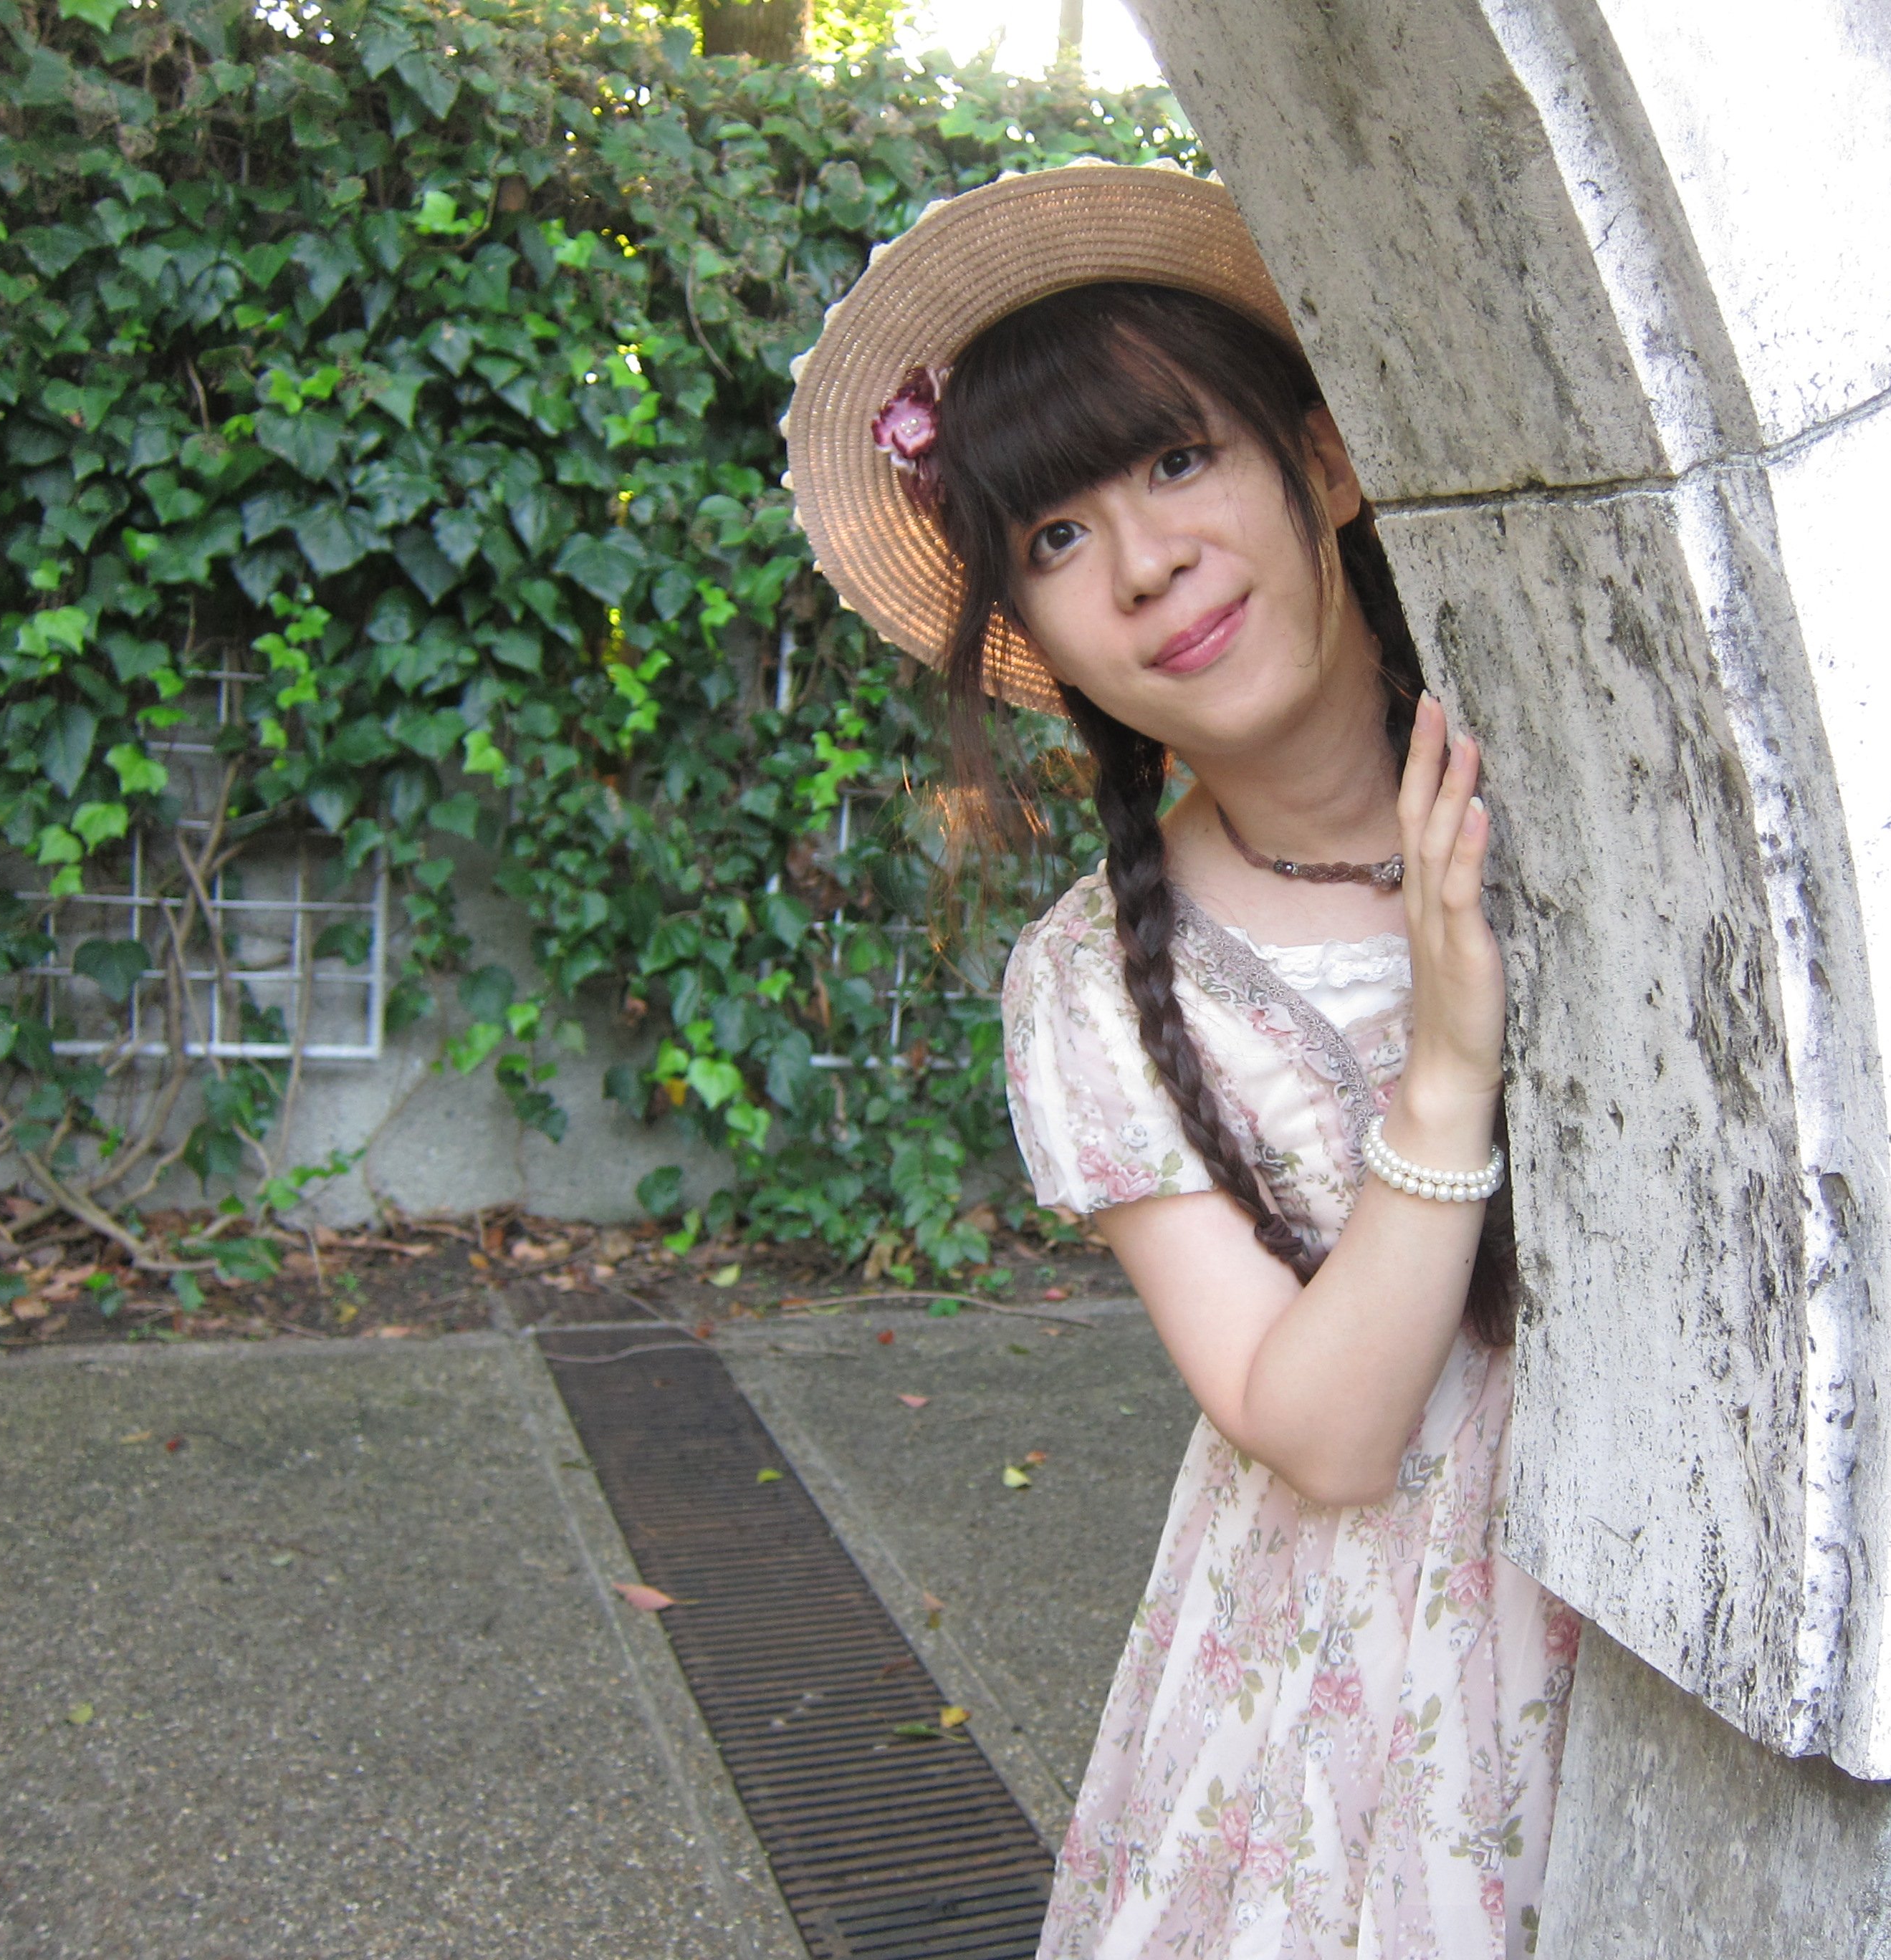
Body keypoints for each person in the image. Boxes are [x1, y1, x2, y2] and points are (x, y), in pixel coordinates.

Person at [780, 163, 1578, 1960]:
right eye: (1055, 541)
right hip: (1352, 1718)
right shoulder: (1088, 986)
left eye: (1175, 459)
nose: (1145, 564)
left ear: (1327, 461)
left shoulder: (1588, 760)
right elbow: (1325, 1435)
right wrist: (1447, 1069)